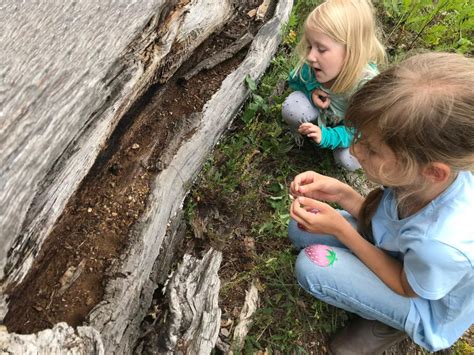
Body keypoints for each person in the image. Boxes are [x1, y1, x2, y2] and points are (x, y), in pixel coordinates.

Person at [288, 52, 474, 353]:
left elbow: (405, 285)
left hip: (421, 298)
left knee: (312, 264)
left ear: (433, 171)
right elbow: (390, 224)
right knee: (300, 228)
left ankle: (392, 324)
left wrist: (342, 231)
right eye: (359, 137)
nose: (357, 151)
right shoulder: (419, 176)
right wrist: (342, 194)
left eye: (372, 150)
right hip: (403, 254)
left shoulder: (442, 244)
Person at [282, 0, 385, 171]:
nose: (310, 55)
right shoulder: (314, 64)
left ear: (352, 52)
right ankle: (302, 134)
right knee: (293, 108)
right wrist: (311, 91)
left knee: (349, 159)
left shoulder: (367, 88)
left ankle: (329, 149)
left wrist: (328, 137)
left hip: (348, 130)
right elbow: (294, 79)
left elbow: (362, 130)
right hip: (324, 115)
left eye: (321, 49)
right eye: (309, 45)